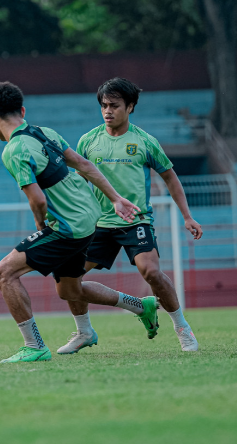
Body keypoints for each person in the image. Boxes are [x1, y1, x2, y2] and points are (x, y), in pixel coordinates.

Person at [0, 81, 159, 363]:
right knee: (69, 290)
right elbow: (86, 165)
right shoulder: (45, 132)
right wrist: (114, 198)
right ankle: (140, 306)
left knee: (4, 273)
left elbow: (38, 201)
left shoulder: (13, 150)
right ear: (22, 110)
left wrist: (42, 227)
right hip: (90, 219)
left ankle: (33, 345)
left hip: (69, 228)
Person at [58, 77, 202, 354]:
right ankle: (84, 331)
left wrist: (187, 216)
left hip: (135, 221)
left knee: (152, 272)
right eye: (103, 106)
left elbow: (170, 178)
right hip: (97, 224)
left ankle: (182, 328)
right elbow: (78, 182)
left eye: (114, 105)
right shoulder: (89, 140)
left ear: (131, 106)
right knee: (68, 279)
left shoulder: (145, 141)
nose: (107, 111)